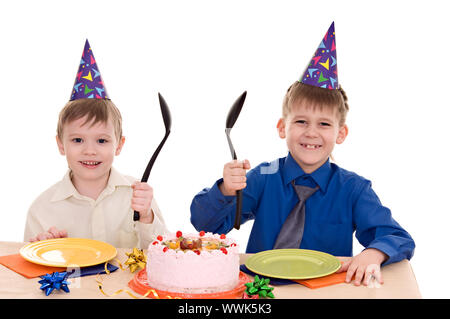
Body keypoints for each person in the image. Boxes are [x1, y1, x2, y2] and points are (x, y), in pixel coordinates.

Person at [190, 22, 415, 286]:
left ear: (340, 134)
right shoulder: (264, 176)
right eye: (300, 122)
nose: (311, 132)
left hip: (326, 291)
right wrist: (226, 189)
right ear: (282, 127)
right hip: (262, 290)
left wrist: (373, 253)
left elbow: (397, 236)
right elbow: (208, 225)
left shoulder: (353, 188)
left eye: (324, 124)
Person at [24, 40, 168, 249]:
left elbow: (164, 255)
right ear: (60, 144)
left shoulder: (137, 195)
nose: (89, 150)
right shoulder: (42, 210)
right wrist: (47, 251)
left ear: (119, 145)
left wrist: (146, 216)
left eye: (101, 140)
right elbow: (31, 272)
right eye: (77, 140)